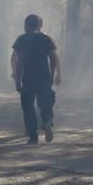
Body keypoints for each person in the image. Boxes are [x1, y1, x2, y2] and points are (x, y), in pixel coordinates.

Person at [10, 14, 62, 144]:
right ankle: (47, 122)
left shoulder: (21, 40)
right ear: (38, 26)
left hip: (29, 78)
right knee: (46, 103)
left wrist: (17, 79)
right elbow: (53, 58)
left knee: (28, 106)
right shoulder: (46, 38)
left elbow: (19, 61)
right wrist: (52, 75)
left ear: (26, 25)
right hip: (44, 77)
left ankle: (33, 136)